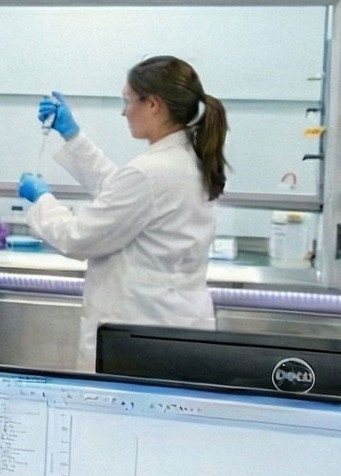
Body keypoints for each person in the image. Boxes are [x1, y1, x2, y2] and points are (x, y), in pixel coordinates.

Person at [16, 56, 223, 370]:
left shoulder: (150, 172)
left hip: (139, 335)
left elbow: (78, 238)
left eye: (127, 101)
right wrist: (73, 136)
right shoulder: (187, 160)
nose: (123, 111)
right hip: (174, 328)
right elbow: (122, 195)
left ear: (152, 104)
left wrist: (42, 199)